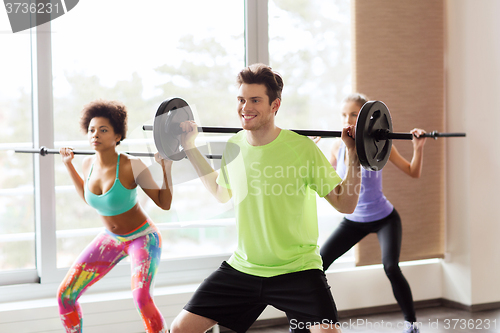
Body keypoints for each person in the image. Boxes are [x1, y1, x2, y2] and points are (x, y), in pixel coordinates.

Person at [169, 63, 361, 333]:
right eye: (241, 99)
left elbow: (346, 203)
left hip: (298, 270)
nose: (245, 107)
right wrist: (189, 147)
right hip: (245, 268)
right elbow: (221, 192)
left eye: (255, 100)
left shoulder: (302, 148)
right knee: (180, 329)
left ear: (275, 105)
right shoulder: (235, 145)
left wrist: (354, 155)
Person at [56, 100, 173, 333]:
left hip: (143, 237)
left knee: (141, 298)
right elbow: (88, 197)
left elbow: (164, 203)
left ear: (118, 135)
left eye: (103, 130)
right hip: (111, 238)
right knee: (65, 296)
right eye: (91, 130)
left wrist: (165, 167)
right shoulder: (87, 163)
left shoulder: (132, 165)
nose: (95, 135)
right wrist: (68, 165)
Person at [320, 93, 426, 333]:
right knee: (318, 266)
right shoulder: (338, 146)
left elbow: (413, 171)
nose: (348, 119)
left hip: (384, 218)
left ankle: (411, 324)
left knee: (391, 267)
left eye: (354, 114)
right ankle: (318, 323)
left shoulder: (380, 143)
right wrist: (314, 149)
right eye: (344, 114)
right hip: (353, 221)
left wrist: (418, 147)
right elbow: (328, 183)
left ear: (366, 118)